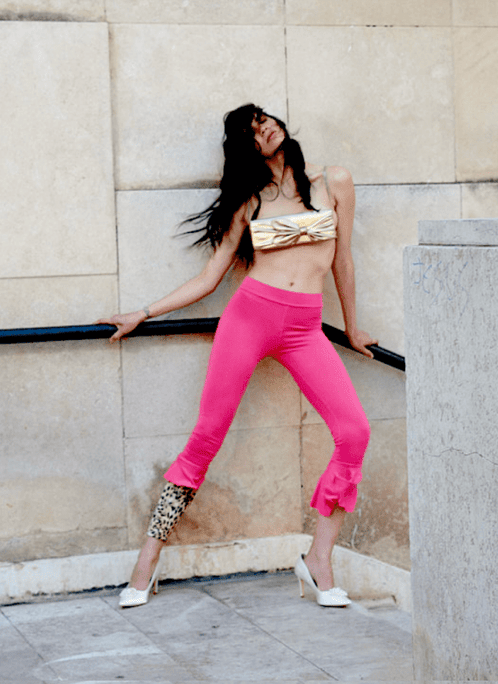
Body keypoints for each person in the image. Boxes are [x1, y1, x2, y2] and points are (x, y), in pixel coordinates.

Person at [97, 104, 377, 609]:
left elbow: (344, 259)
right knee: (205, 440)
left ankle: (319, 559)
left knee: (354, 433)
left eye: (264, 118)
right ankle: (146, 561)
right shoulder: (249, 201)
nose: (264, 127)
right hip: (249, 319)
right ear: (246, 148)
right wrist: (142, 312)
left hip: (305, 327)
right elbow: (209, 279)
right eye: (252, 131)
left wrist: (353, 327)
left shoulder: (333, 180)